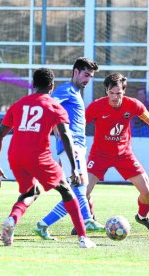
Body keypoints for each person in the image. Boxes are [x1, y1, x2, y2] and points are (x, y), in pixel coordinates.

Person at [0, 68, 96, 248]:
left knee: (30, 192)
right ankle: (83, 238)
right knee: (67, 191)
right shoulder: (54, 106)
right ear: (51, 86)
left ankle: (12, 219)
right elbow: (65, 136)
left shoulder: (19, 104)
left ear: (33, 84)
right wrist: (74, 168)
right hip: (38, 155)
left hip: (15, 155)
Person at [85, 73, 149, 234]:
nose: (115, 97)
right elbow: (79, 124)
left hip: (124, 154)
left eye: (119, 94)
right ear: (106, 91)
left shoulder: (133, 105)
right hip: (99, 154)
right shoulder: (96, 106)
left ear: (124, 92)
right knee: (84, 192)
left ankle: (142, 217)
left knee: (148, 193)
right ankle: (90, 218)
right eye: (111, 93)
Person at [34, 57, 103, 240]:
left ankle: (43, 225)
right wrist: (56, 127)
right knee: (80, 185)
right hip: (71, 145)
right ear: (76, 72)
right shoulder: (66, 89)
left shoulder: (75, 92)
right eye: (86, 75)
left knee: (73, 192)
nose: (88, 79)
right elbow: (48, 103)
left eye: (91, 76)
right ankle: (87, 219)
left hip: (76, 146)